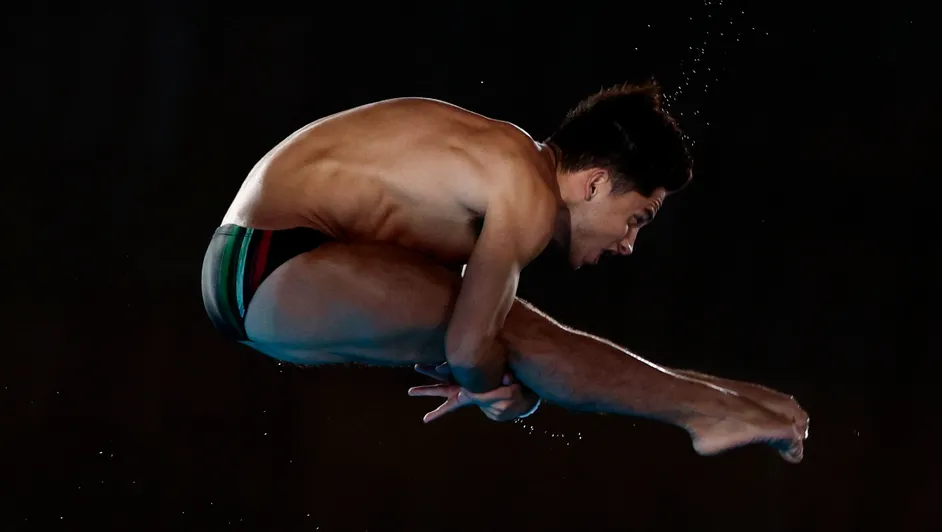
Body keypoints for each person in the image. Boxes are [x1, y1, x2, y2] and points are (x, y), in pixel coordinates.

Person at [201, 82, 809, 462]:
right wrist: (499, 388)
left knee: (518, 333)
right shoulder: (526, 186)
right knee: (519, 335)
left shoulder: (500, 167)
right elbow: (471, 349)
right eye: (636, 219)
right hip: (272, 261)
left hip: (253, 264)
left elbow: (473, 344)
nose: (628, 244)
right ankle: (711, 412)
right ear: (595, 183)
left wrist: (490, 372)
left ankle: (734, 403)